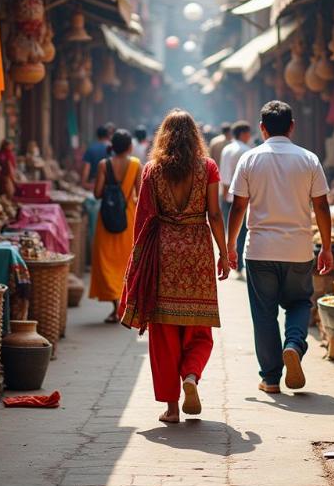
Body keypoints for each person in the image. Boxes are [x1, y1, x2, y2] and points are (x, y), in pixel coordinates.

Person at [119, 109, 234, 424]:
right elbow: (215, 214)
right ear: (195, 136)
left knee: (164, 333)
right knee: (199, 328)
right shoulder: (207, 168)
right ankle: (191, 377)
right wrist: (224, 253)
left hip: (164, 253)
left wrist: (137, 260)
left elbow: (143, 218)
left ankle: (171, 408)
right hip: (197, 251)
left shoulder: (153, 170)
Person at [227, 100, 333, 394]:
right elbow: (322, 205)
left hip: (259, 250)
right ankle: (295, 346)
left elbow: (237, 207)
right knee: (299, 303)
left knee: (264, 313)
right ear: (291, 126)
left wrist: (229, 245)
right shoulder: (308, 159)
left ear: (261, 128)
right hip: (298, 249)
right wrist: (326, 245)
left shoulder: (249, 160)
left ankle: (271, 379)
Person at [89, 129, 141, 323]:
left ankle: (116, 306)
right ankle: (125, 306)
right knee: (127, 261)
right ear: (129, 147)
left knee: (107, 261)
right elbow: (141, 193)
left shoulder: (104, 164)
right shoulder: (135, 164)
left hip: (107, 219)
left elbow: (96, 193)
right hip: (128, 219)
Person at [219, 121, 252, 276]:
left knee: (230, 228)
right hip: (243, 196)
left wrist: (225, 192)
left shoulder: (227, 148)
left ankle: (232, 260)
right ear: (243, 134)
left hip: (227, 194)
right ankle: (238, 264)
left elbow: (224, 173)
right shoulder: (246, 150)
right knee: (242, 231)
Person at [81, 126, 111, 191]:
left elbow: (86, 168)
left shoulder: (91, 149)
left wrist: (84, 183)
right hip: (109, 185)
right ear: (107, 136)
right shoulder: (112, 150)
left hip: (94, 184)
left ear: (97, 136)